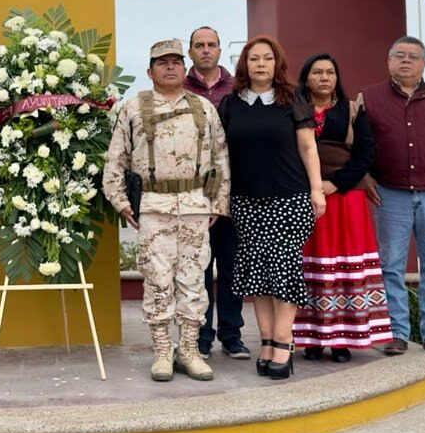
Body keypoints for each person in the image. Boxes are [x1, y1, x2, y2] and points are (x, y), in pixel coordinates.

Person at [103, 39, 230, 382]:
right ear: (150, 71)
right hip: (154, 206)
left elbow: (220, 157)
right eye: (162, 62)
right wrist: (121, 202)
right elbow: (116, 159)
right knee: (158, 281)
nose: (170, 67)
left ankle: (189, 351)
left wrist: (218, 202)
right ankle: (161, 351)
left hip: (194, 204)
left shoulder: (204, 108)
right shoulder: (133, 108)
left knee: (193, 281)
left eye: (176, 61)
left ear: (184, 66)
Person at [219, 36, 326, 380]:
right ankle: (267, 341)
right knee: (257, 274)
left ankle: (283, 339)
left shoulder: (292, 100)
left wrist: (316, 190)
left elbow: (309, 148)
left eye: (267, 58)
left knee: (282, 269)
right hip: (246, 201)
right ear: (244, 65)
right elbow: (221, 155)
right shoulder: (230, 104)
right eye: (254, 59)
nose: (260, 64)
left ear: (277, 64)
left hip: (289, 197)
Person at [361, 36, 425, 357]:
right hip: (389, 194)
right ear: (389, 61)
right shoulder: (369, 98)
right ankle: (396, 334)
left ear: (424, 63)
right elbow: (358, 143)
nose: (406, 61)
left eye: (414, 57)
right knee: (390, 266)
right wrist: (363, 176)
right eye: (400, 56)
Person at [292, 53, 391, 362]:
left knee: (343, 266)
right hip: (304, 196)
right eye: (317, 72)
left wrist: (336, 183)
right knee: (309, 267)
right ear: (306, 78)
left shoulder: (352, 111)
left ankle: (342, 340)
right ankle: (310, 338)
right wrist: (311, 186)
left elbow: (365, 154)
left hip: (345, 198)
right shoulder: (292, 109)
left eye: (330, 73)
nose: (324, 77)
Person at [182, 26, 247, 361]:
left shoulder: (239, 88)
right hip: (192, 192)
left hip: (235, 189)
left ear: (220, 50)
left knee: (233, 263)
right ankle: (202, 334)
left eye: (211, 45)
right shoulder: (179, 88)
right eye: (199, 46)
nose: (205, 50)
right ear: (190, 52)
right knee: (198, 267)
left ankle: (232, 334)